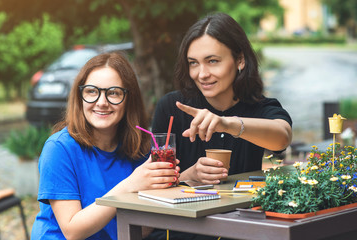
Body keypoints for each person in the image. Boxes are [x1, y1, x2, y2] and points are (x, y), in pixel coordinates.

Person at [146, 12, 292, 240]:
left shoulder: (260, 109)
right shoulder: (172, 107)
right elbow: (152, 185)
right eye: (193, 63)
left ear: (240, 60)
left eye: (213, 61)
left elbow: (282, 136)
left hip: (236, 230)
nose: (202, 74)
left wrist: (228, 124)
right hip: (177, 231)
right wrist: (190, 175)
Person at [31, 52, 179, 240]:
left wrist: (165, 186)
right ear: (80, 96)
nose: (101, 102)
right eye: (92, 91)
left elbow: (140, 231)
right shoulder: (59, 149)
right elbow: (72, 231)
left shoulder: (141, 148)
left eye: (113, 93)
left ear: (128, 99)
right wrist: (130, 185)